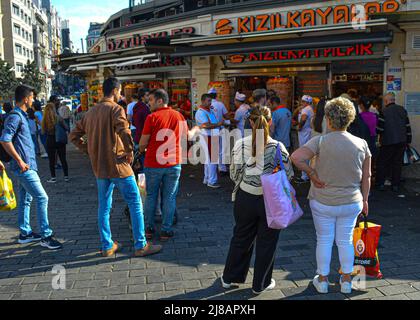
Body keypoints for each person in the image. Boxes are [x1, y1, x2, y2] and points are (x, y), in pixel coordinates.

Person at [69, 77, 162, 258]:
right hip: (118, 166)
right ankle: (140, 245)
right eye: (119, 92)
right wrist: (129, 152)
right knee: (135, 202)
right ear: (115, 91)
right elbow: (124, 131)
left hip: (100, 167)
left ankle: (107, 245)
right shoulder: (115, 108)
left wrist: (87, 150)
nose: (120, 95)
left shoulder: (90, 113)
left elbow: (74, 135)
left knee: (104, 207)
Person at [291, 97, 371, 295]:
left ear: (327, 119)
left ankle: (323, 279)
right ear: (350, 119)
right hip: (352, 200)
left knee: (324, 239)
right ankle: (345, 281)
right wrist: (366, 200)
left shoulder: (320, 141)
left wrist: (312, 174)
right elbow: (367, 176)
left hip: (323, 199)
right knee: (345, 240)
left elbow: (296, 158)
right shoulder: (361, 143)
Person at [222, 106, 294, 295]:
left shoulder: (241, 144)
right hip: (270, 201)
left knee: (240, 238)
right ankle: (259, 284)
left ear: (251, 122)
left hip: (245, 197)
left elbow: (233, 173)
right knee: (267, 242)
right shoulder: (278, 147)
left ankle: (230, 278)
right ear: (270, 122)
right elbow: (289, 175)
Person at [0, 85, 62, 250]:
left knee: (26, 199)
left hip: (27, 165)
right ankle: (46, 236)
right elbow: (5, 140)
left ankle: (25, 233)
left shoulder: (21, 115)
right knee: (43, 198)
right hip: (24, 167)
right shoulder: (15, 117)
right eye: (32, 97)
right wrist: (19, 160)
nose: (34, 100)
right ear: (26, 98)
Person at [139, 89, 200, 242]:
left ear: (160, 101)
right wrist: (197, 129)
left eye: (151, 100)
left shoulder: (151, 117)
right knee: (169, 197)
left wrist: (142, 149)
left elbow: (142, 144)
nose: (149, 103)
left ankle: (149, 228)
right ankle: (166, 230)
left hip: (153, 163)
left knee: (151, 195)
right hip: (174, 164)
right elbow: (188, 137)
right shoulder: (178, 116)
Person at [376, 93, 412, 192]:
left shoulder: (384, 111)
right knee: (397, 164)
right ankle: (395, 185)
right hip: (401, 142)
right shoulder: (402, 110)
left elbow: (379, 129)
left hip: (387, 142)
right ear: (393, 100)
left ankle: (380, 184)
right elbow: (407, 126)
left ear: (386, 101)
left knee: (382, 163)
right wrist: (408, 140)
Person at [195, 94, 225, 189]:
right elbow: (206, 125)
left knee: (208, 160)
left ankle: (207, 178)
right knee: (212, 160)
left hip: (211, 135)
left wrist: (217, 125)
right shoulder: (200, 112)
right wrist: (219, 124)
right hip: (207, 136)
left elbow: (212, 123)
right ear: (203, 101)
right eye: (208, 101)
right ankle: (212, 181)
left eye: (210, 101)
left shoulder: (209, 110)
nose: (210, 103)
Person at [42, 103, 70, 183]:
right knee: (63, 158)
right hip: (60, 140)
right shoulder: (58, 118)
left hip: (50, 140)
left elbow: (43, 131)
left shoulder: (44, 120)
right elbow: (66, 128)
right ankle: (66, 176)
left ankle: (53, 177)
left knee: (51, 160)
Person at [208, 88, 229, 175]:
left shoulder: (208, 105)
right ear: (216, 95)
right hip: (219, 129)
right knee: (221, 149)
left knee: (212, 150)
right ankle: (222, 168)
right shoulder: (220, 104)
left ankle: (211, 171)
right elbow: (226, 116)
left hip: (210, 129)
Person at [296, 95, 314, 182]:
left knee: (303, 154)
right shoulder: (308, 108)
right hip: (307, 132)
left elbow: (303, 119)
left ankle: (304, 176)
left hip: (304, 133)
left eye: (303, 101)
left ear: (307, 102)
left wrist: (299, 127)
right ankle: (307, 174)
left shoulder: (306, 109)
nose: (301, 103)